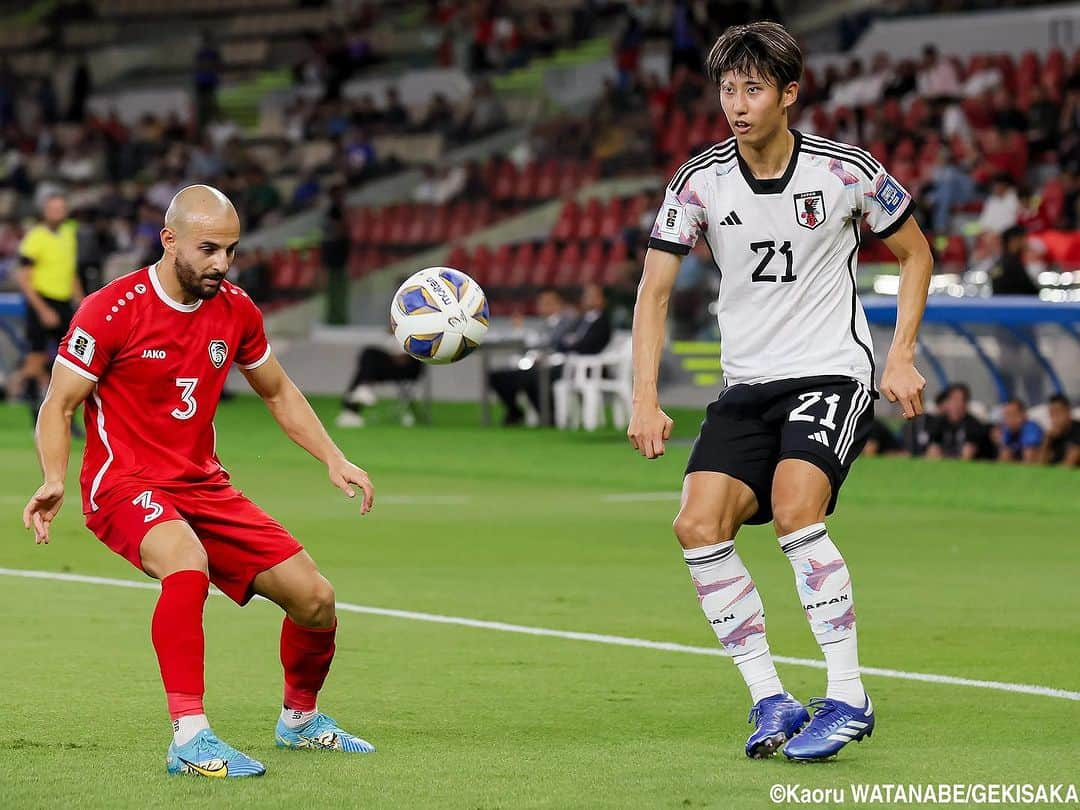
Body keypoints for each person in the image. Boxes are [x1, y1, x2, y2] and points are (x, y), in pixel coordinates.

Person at [627, 22, 932, 762]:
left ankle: (849, 696)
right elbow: (654, 291)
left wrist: (901, 354)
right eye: (728, 88)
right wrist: (645, 395)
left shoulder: (846, 171)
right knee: (698, 527)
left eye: (753, 88)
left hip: (830, 370)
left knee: (799, 511)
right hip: (747, 383)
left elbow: (917, 253)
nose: (737, 103)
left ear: (789, 94)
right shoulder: (699, 180)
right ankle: (770, 696)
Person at [22, 185, 377, 779]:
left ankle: (301, 721)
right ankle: (189, 737)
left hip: (203, 486)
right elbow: (58, 405)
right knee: (186, 566)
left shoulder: (236, 310)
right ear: (170, 240)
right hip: (123, 483)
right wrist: (55, 477)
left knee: (316, 600)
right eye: (208, 249)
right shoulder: (111, 310)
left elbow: (278, 391)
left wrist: (333, 457)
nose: (221, 263)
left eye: (231, 251)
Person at [489, 286, 611, 426]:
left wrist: (568, 346)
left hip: (579, 366)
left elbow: (578, 344)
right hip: (554, 362)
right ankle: (519, 412)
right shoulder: (578, 320)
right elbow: (566, 341)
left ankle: (548, 415)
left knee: (533, 377)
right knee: (501, 376)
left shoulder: (583, 320)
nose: (587, 300)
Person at [14, 192, 84, 421]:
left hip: (64, 303)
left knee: (69, 361)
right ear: (45, 211)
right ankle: (16, 383)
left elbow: (70, 271)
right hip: (42, 301)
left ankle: (59, 411)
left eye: (61, 208)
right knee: (37, 357)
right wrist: (43, 309)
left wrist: (82, 302)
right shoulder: (35, 238)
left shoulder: (68, 234)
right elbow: (23, 278)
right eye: (53, 208)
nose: (57, 213)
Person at [335, 342, 424, 428]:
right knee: (368, 356)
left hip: (410, 366)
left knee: (369, 359)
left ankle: (352, 409)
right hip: (393, 362)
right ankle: (362, 390)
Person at [925, 383, 993, 460]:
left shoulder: (974, 425)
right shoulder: (938, 422)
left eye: (960, 400)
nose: (956, 404)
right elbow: (933, 447)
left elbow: (969, 453)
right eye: (953, 399)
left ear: (966, 403)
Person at [993, 398, 1044, 463]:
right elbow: (1003, 460)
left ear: (1024, 414)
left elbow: (1029, 461)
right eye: (1006, 416)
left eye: (1013, 414)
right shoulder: (1007, 430)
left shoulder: (1031, 429)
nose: (1009, 419)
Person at [1041, 394, 1080, 467]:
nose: (1055, 418)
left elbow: (1069, 464)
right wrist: (1047, 440)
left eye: (1058, 412)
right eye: (1052, 414)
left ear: (1068, 411)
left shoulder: (1077, 430)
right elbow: (1041, 464)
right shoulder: (1053, 436)